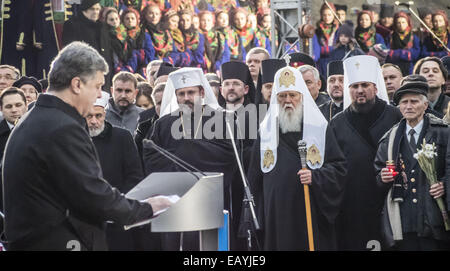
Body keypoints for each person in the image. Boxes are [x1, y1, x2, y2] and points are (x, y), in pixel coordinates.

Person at [1, 41, 171, 251]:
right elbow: (94, 196)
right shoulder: (62, 128)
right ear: (77, 84)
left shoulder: (35, 119)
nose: (100, 95)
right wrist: (148, 208)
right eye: (98, 86)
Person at [247, 65, 346, 250]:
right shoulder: (266, 131)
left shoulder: (320, 128)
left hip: (310, 209)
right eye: (282, 96)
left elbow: (339, 167)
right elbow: (254, 178)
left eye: (293, 95)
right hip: (276, 212)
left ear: (302, 97)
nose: (288, 101)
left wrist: (316, 177)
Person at [143, 67, 241, 250]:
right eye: (181, 94)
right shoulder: (163, 124)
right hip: (175, 198)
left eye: (191, 92)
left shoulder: (221, 120)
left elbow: (229, 156)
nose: (186, 98)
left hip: (209, 196)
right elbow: (151, 156)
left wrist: (189, 153)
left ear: (202, 92)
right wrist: (177, 173)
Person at [330, 55, 402, 251]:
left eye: (365, 85)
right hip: (352, 203)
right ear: (349, 90)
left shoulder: (394, 115)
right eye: (354, 86)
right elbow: (333, 164)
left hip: (388, 200)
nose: (359, 90)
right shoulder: (337, 123)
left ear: (375, 88)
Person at [375, 75, 450, 250]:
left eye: (414, 102)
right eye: (404, 102)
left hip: (434, 220)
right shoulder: (389, 139)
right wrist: (382, 177)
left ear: (425, 105)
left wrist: (444, 184)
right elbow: (378, 175)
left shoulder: (443, 133)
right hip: (403, 221)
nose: (408, 106)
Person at [62, 0, 113, 91]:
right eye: (92, 9)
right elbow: (70, 53)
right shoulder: (72, 25)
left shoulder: (103, 27)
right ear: (84, 10)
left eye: (97, 9)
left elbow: (108, 53)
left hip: (103, 77)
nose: (95, 12)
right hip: (84, 75)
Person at [386, 12, 421, 76]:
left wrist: (397, 53)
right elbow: (387, 53)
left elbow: (416, 53)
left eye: (403, 22)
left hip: (409, 68)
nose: (401, 25)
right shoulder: (391, 36)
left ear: (408, 23)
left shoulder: (413, 37)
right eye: (398, 23)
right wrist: (404, 53)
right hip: (394, 67)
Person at [313, 3, 340, 76]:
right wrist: (332, 48)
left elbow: (340, 48)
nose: (327, 17)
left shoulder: (339, 30)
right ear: (321, 15)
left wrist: (327, 49)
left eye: (329, 15)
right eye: (324, 15)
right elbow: (317, 50)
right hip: (322, 63)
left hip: (336, 62)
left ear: (334, 15)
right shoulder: (317, 31)